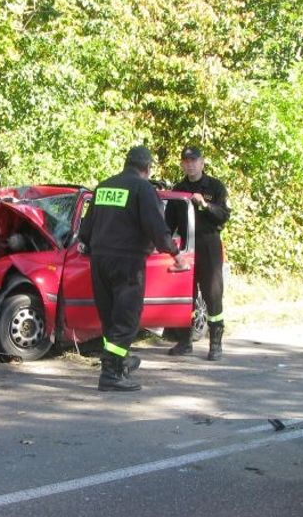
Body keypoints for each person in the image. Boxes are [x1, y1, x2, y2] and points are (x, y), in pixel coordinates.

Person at [78, 145, 187, 392]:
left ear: (126, 163)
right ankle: (112, 374)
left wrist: (86, 244)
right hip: (127, 262)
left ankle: (120, 359)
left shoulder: (104, 186)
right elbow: (156, 227)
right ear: (147, 168)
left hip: (100, 261)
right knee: (126, 318)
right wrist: (175, 253)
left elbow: (87, 227)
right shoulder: (142, 189)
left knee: (110, 318)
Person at [168, 145, 229, 361]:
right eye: (186, 161)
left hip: (209, 246)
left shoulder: (215, 186)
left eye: (194, 160)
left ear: (202, 163)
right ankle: (185, 341)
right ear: (182, 164)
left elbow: (224, 215)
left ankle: (215, 344)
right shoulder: (178, 188)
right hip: (186, 248)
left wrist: (205, 205)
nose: (190, 164)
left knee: (213, 296)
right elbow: (168, 223)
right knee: (186, 296)